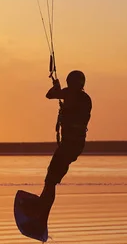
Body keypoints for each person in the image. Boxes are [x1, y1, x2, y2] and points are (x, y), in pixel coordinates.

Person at [38, 70, 92, 221]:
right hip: (73, 146)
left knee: (51, 179)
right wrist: (57, 88)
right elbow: (52, 95)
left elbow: (52, 95)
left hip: (70, 146)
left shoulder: (75, 96)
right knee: (51, 179)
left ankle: (42, 212)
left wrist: (57, 89)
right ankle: (42, 208)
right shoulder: (81, 97)